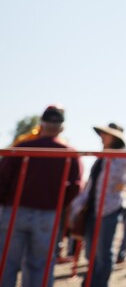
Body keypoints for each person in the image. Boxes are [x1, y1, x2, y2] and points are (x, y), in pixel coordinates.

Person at [0, 106, 82, 287]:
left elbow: (3, 179)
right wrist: (58, 204)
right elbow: (75, 187)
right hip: (47, 214)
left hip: (14, 212)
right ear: (61, 127)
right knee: (40, 265)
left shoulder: (21, 148)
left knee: (6, 262)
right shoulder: (69, 153)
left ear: (41, 124)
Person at [68, 123, 126, 287]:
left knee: (104, 251)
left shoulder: (124, 155)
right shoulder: (101, 157)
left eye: (106, 134)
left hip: (110, 208)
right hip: (92, 208)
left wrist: (124, 182)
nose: (102, 137)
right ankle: (90, 281)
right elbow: (91, 185)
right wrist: (77, 206)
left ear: (115, 137)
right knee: (91, 252)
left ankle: (99, 283)